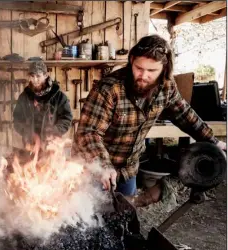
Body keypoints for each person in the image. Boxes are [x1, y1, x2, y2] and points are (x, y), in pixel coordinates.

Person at [72, 35, 226, 206]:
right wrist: (102, 165)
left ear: (164, 68)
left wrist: (212, 141)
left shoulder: (167, 87)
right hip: (94, 169)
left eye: (152, 71)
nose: (143, 75)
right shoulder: (109, 89)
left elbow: (184, 115)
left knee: (125, 216)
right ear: (131, 60)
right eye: (138, 68)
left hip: (128, 169)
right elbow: (89, 132)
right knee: (90, 220)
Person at [13, 60, 73, 153]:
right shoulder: (24, 97)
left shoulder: (59, 96)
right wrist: (28, 133)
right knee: (28, 167)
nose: (35, 80)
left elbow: (66, 118)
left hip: (52, 145)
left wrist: (54, 131)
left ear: (45, 75)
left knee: (51, 167)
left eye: (38, 76)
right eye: (32, 76)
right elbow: (17, 120)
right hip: (30, 145)